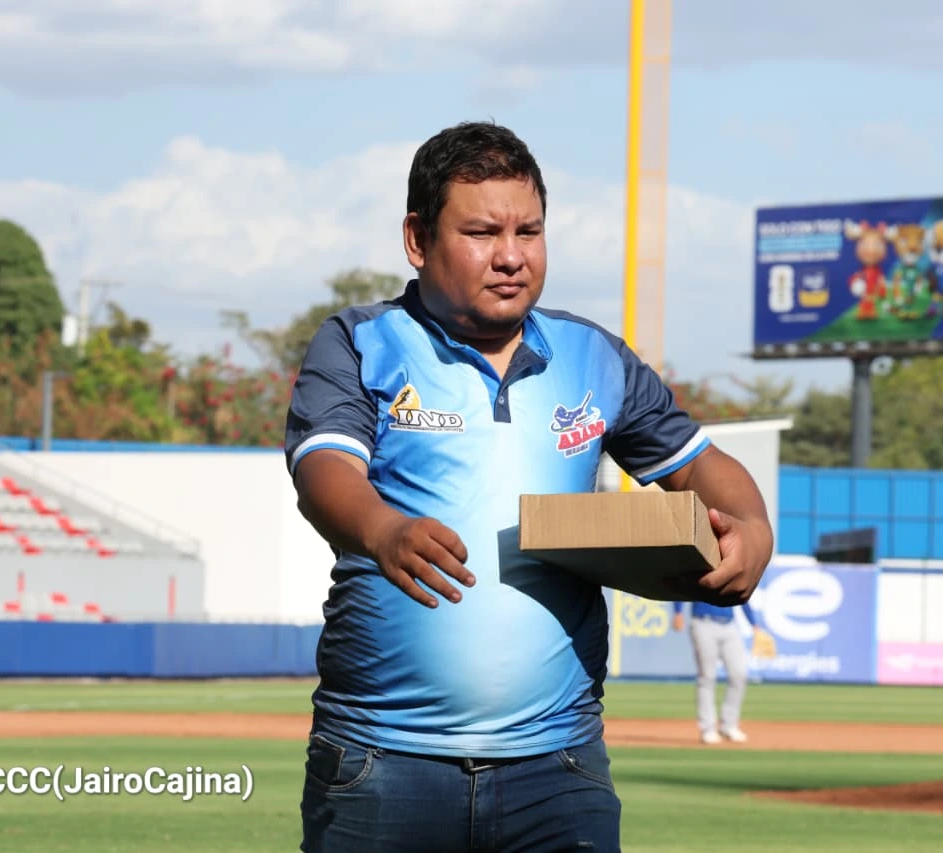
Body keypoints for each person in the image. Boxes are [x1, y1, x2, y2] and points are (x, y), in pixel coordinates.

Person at [285, 120, 774, 852]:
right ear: (417, 239)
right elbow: (322, 469)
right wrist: (382, 529)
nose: (511, 255)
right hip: (381, 761)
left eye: (530, 231)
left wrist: (753, 528)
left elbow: (700, 464)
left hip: (558, 769)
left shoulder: (594, 356)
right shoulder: (360, 340)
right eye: (482, 232)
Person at [672, 600, 758, 744]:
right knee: (707, 677)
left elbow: (742, 596)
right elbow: (683, 591)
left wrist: (754, 624)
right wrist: (678, 612)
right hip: (703, 623)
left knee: (739, 674)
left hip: (729, 625)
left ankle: (729, 726)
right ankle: (707, 729)